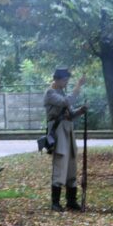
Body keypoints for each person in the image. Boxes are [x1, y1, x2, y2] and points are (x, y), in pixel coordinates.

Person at [43, 68, 86, 212]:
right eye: (64, 80)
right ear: (57, 79)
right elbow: (66, 101)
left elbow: (70, 113)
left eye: (67, 80)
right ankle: (55, 203)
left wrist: (81, 111)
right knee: (60, 164)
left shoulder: (61, 92)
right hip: (58, 131)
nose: (66, 82)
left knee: (71, 165)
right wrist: (78, 86)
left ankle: (71, 201)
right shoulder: (50, 93)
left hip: (68, 130)